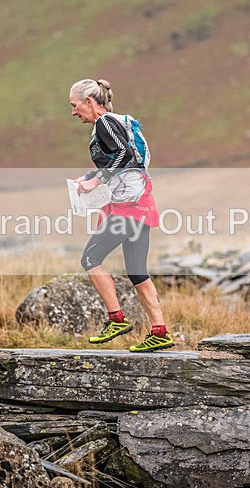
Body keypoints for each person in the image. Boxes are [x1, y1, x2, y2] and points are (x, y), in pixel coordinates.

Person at [68, 78, 174, 352]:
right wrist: (90, 176)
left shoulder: (103, 123)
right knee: (137, 272)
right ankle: (159, 332)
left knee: (90, 259)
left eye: (74, 105)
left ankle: (116, 319)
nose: (73, 112)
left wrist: (97, 180)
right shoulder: (113, 122)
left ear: (89, 102)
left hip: (128, 206)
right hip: (142, 203)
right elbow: (127, 160)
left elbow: (124, 154)